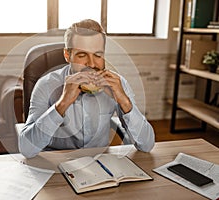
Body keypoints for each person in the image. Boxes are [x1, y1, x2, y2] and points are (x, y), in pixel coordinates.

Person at [19, 19, 155, 158]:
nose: (91, 64)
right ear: (67, 55)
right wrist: (62, 103)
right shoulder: (46, 85)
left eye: (98, 55)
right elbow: (26, 149)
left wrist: (124, 102)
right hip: (55, 162)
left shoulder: (117, 84)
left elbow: (147, 145)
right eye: (82, 55)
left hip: (98, 163)